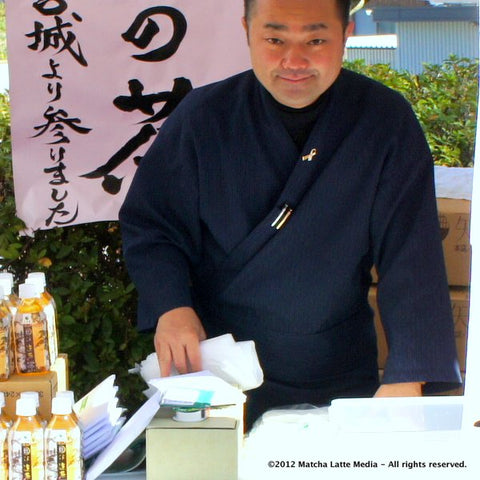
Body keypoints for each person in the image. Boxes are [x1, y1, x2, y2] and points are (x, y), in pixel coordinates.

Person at [119, 0, 461, 428]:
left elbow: (411, 255)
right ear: (246, 31)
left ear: (346, 33)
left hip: (335, 370)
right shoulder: (204, 117)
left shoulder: (384, 121)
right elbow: (152, 226)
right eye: (274, 39)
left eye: (316, 40)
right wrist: (171, 307)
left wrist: (409, 376)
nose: (293, 61)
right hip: (216, 368)